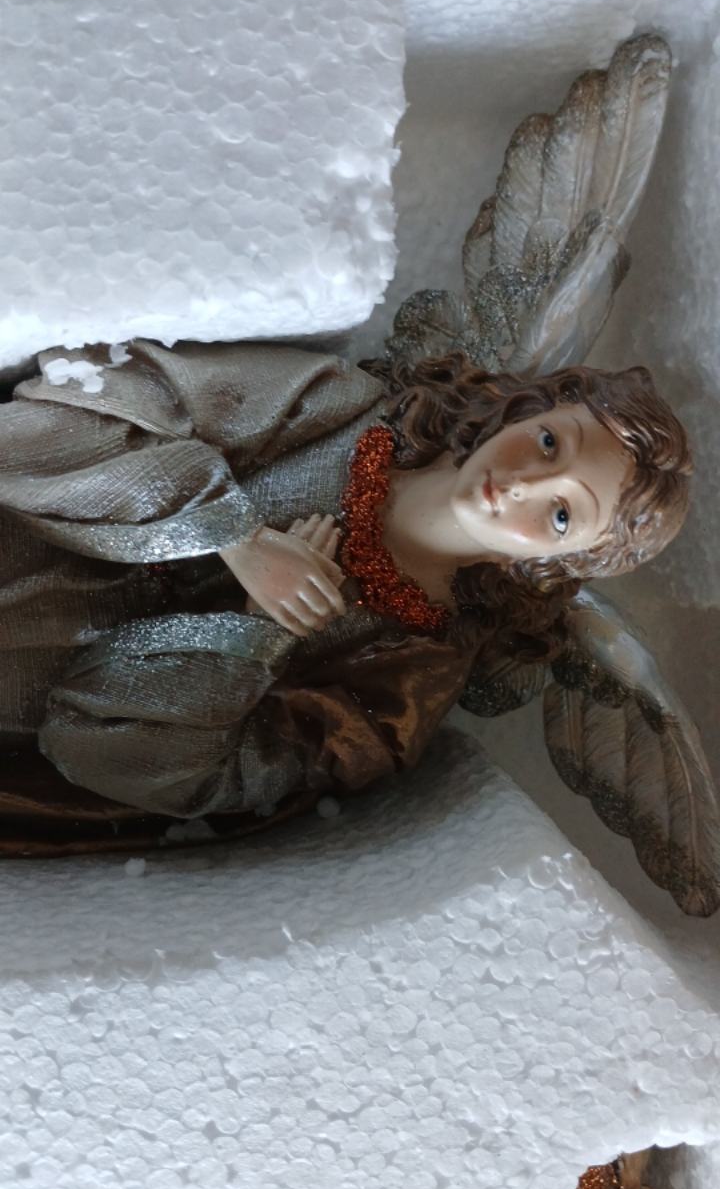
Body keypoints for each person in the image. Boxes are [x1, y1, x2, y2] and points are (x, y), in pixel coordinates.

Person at [0, 338, 689, 829]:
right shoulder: (344, 410)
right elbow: (93, 395)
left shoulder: (407, 676)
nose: (521, 485)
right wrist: (233, 535)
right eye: (549, 443)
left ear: (557, 565)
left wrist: (255, 633)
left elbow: (133, 764)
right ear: (530, 410)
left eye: (562, 515)